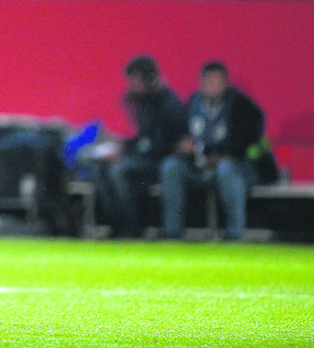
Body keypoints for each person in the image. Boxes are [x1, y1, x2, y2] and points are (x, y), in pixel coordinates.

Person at [160, 61, 278, 241]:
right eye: (208, 82)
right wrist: (184, 146)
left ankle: (234, 235)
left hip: (240, 168)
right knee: (171, 167)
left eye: (216, 82)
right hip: (200, 167)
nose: (212, 86)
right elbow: (179, 132)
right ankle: (172, 233)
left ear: (225, 83)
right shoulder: (193, 103)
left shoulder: (242, 105)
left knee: (227, 168)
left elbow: (246, 139)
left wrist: (214, 152)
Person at [92, 55, 187, 238]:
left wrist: (125, 152)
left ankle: (133, 228)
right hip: (143, 158)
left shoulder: (169, 104)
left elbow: (161, 146)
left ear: (149, 79)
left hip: (160, 161)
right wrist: (121, 147)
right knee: (98, 166)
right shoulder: (141, 102)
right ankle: (116, 225)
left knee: (120, 170)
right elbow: (141, 137)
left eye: (134, 81)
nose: (130, 87)